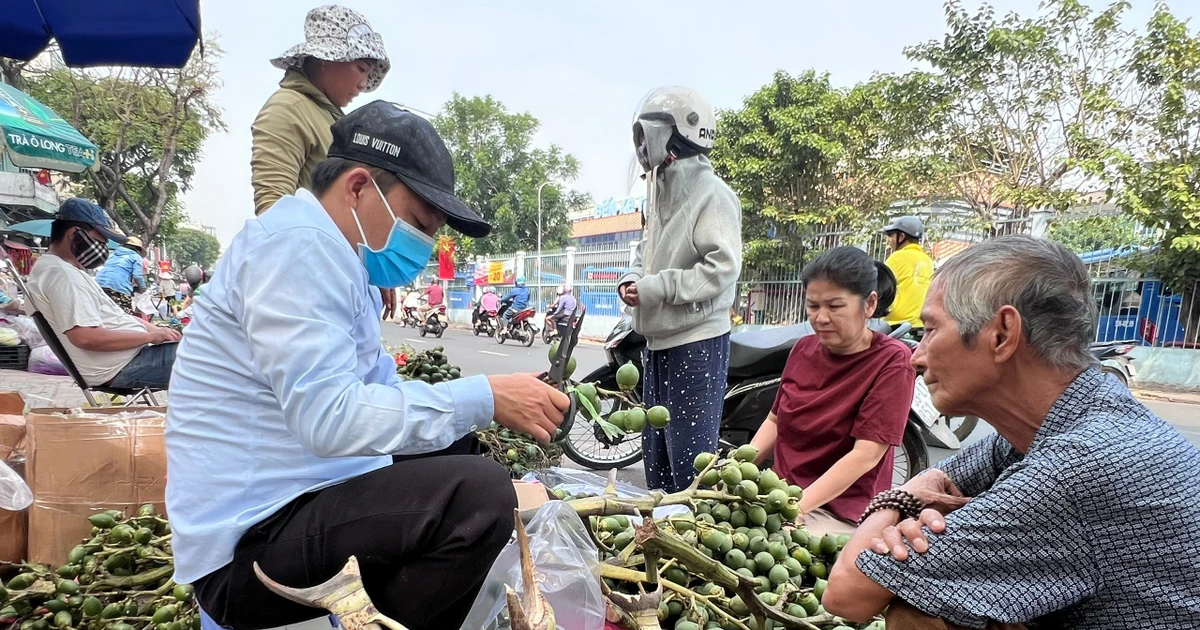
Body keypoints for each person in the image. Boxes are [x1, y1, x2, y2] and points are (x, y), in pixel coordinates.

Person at [164, 102, 570, 630]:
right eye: (420, 225)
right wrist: (486, 395)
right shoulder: (298, 248)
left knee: (458, 449)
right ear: (358, 187)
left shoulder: (335, 255)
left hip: (298, 502)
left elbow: (376, 391)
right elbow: (330, 418)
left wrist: (482, 412)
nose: (424, 247)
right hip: (248, 553)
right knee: (478, 496)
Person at [824, 236, 1200, 629]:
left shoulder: (1075, 467)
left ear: (1002, 333)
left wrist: (902, 497)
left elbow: (848, 595)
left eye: (932, 330)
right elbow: (937, 479)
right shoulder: (1062, 421)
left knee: (917, 614)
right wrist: (915, 495)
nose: (918, 356)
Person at [616, 86, 743, 493]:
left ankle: (687, 546)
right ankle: (656, 540)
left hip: (696, 341)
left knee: (688, 468)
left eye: (644, 133)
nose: (640, 144)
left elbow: (721, 267)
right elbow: (647, 254)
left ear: (673, 133)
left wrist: (656, 288)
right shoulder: (659, 192)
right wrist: (633, 280)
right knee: (657, 459)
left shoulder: (713, 196)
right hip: (657, 342)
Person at [748, 247, 913, 536]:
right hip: (778, 494)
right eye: (813, 306)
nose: (821, 318)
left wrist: (794, 509)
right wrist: (734, 470)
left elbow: (866, 455)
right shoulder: (802, 349)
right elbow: (774, 421)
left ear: (869, 304)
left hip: (838, 511)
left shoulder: (892, 361)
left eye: (834, 306)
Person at [251, 4, 396, 320]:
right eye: (361, 68)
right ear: (327, 59)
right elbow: (273, 210)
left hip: (337, 281)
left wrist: (370, 263)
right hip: (310, 287)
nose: (363, 84)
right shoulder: (287, 109)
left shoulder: (331, 117)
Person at [25, 198, 181, 388]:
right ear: (74, 234)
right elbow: (85, 338)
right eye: (100, 241)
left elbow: (118, 317)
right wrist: (150, 337)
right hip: (124, 366)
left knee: (207, 349)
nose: (103, 249)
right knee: (215, 357)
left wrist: (157, 331)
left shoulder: (63, 270)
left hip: (131, 358)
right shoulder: (62, 275)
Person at [881, 216, 934, 334]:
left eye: (892, 236)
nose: (890, 240)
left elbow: (881, 288)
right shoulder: (928, 261)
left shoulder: (897, 257)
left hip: (895, 324)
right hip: (920, 324)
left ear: (902, 236)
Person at [95, 236, 147, 315]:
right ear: (138, 249)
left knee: (102, 314)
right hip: (119, 288)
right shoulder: (136, 257)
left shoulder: (113, 254)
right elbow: (137, 276)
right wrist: (142, 288)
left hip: (99, 284)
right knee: (125, 317)